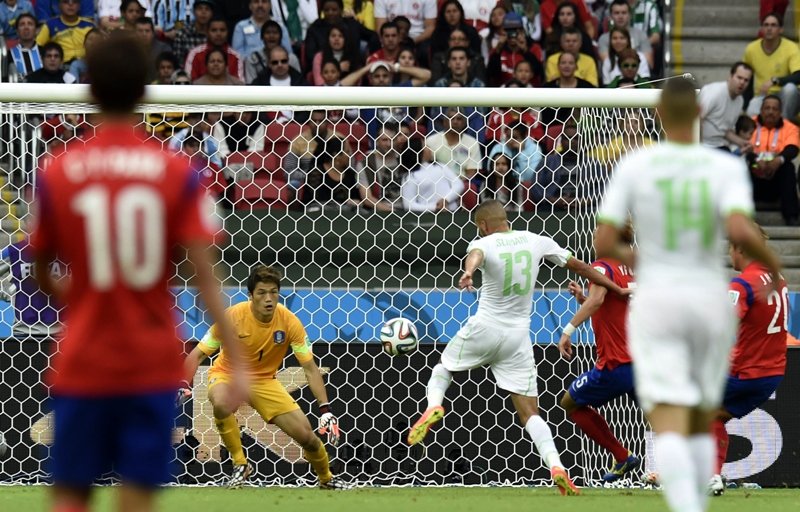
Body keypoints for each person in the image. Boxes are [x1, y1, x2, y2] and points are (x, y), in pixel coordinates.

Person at [29, 31, 243, 512]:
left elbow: (41, 270)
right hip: (152, 357)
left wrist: (83, 297)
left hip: (84, 352)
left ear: (90, 88)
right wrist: (238, 359)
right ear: (145, 89)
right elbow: (206, 279)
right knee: (137, 499)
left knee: (69, 495)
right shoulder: (176, 171)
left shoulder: (58, 172)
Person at [593, 77, 782, 512]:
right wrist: (772, 267)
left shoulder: (635, 167)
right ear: (700, 116)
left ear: (659, 115)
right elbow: (740, 232)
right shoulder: (725, 168)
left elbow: (605, 244)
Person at [408, 200, 634, 495]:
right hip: (518, 339)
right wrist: (615, 288)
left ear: (483, 225)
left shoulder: (483, 242)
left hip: (485, 328)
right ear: (506, 218)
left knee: (443, 367)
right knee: (531, 414)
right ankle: (557, 467)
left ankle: (434, 405)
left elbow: (475, 255)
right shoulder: (536, 240)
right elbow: (578, 265)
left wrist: (469, 272)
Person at [183, 264, 352, 489]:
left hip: (264, 381)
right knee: (221, 403)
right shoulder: (232, 317)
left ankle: (327, 479)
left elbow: (310, 368)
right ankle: (240, 464)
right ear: (251, 295)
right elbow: (197, 354)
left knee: (308, 438)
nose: (269, 298)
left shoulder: (290, 322)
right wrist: (183, 383)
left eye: (273, 292)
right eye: (262, 293)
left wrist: (325, 409)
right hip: (228, 374)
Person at [708, 224, 788, 496]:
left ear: (740, 248)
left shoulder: (742, 283)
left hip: (746, 371)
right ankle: (711, 476)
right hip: (772, 373)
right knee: (714, 415)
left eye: (730, 248)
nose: (730, 255)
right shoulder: (777, 277)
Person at [558, 225, 640, 483]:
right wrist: (584, 298)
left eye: (597, 235)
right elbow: (610, 304)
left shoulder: (602, 266)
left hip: (616, 363)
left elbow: (598, 301)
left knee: (570, 403)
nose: (593, 239)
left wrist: (567, 331)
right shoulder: (632, 265)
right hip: (643, 358)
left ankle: (621, 455)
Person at [745, 95, 800, 226]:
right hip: (755, 178)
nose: (770, 112)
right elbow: (743, 147)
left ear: (780, 112)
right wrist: (755, 160)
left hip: (777, 181)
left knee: (788, 167)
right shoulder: (749, 124)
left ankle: (792, 217)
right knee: (742, 167)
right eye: (767, 108)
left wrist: (778, 161)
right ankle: (745, 218)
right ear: (761, 110)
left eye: (775, 109)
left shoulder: (790, 127)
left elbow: (792, 148)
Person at [743, 12, 800, 120]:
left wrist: (775, 81)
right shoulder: (751, 49)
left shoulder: (791, 47)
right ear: (762, 29)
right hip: (762, 96)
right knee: (751, 111)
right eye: (766, 25)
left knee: (790, 89)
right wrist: (745, 105)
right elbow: (747, 78)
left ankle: (783, 126)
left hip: (784, 96)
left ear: (781, 30)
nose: (769, 28)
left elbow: (798, 75)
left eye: (773, 25)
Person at [699, 61, 753, 151]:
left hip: (720, 146)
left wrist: (742, 143)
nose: (742, 82)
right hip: (703, 146)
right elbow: (695, 120)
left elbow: (724, 131)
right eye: (739, 78)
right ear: (730, 76)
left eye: (746, 80)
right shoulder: (714, 92)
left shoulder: (740, 101)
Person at [424, 106, 481, 179]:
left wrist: (457, 184)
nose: (455, 121)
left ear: (464, 123)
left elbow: (471, 172)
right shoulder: (431, 141)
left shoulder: (472, 143)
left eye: (459, 119)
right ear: (444, 122)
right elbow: (425, 167)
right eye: (451, 118)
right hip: (436, 183)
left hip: (461, 184)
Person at [185, 17, 244, 82]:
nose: (218, 34)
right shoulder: (195, 54)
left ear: (228, 32)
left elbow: (240, 84)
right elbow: (188, 82)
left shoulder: (236, 56)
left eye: (222, 30)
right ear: (207, 32)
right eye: (214, 30)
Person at [598, 0, 653, 69]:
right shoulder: (604, 39)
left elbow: (649, 64)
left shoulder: (641, 35)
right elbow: (608, 65)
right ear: (611, 16)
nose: (620, 16)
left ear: (630, 15)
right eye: (616, 13)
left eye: (624, 13)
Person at [400, 161, 465, 212]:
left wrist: (446, 199)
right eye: (425, 146)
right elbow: (408, 205)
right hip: (427, 217)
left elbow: (459, 184)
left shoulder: (440, 166)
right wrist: (435, 207)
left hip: (454, 212)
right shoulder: (410, 176)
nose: (429, 148)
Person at [172, 0, 214, 64]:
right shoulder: (183, 33)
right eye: (200, 8)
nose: (203, 12)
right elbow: (177, 62)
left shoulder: (215, 34)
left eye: (207, 9)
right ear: (193, 12)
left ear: (212, 14)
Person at [7, 12, 41, 80]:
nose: (26, 27)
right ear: (17, 31)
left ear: (37, 30)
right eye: (22, 24)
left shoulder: (45, 52)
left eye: (30, 24)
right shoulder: (9, 55)